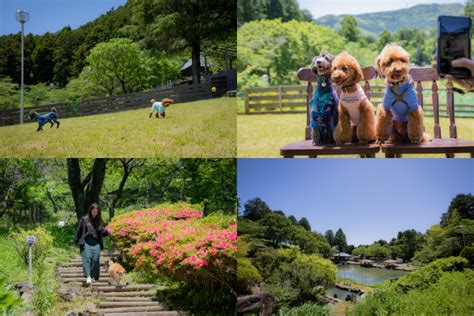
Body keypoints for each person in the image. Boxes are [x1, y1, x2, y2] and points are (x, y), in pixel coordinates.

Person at [73, 203, 110, 285]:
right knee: (86, 258)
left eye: (96, 212)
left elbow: (102, 233)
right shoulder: (84, 219)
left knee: (95, 259)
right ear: (90, 211)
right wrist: (74, 243)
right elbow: (78, 232)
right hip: (86, 242)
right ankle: (88, 276)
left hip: (96, 243)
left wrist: (108, 232)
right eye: (93, 211)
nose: (95, 213)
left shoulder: (99, 221)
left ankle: (93, 276)